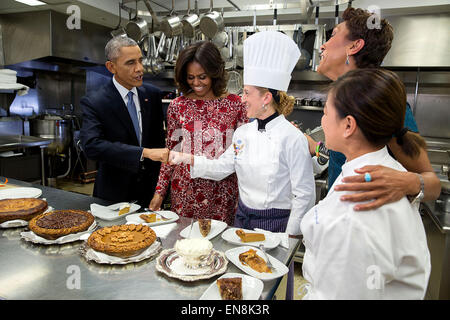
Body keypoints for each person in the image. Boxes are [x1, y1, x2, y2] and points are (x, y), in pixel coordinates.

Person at [301, 68, 431, 299]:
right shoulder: (377, 169)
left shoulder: (357, 206)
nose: (322, 120)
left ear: (348, 125)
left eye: (326, 112)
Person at [170, 31, 316, 236]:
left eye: (247, 92)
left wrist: (289, 238)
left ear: (266, 98)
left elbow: (305, 194)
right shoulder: (243, 133)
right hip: (242, 218)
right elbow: (223, 167)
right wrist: (190, 159)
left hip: (276, 224)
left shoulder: (292, 138)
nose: (242, 98)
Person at [305, 7, 441, 210]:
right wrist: (317, 148)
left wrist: (407, 181)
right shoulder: (343, 100)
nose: (323, 45)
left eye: (332, 35)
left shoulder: (378, 102)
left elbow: (432, 185)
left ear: (354, 46)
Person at [149, 41, 247, 225]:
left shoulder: (235, 105)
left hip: (222, 191)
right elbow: (171, 153)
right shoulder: (177, 106)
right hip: (185, 191)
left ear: (215, 73)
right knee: (184, 246)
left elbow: (242, 153)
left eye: (202, 77)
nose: (196, 83)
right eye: (190, 77)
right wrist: (159, 193)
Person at [80, 36, 168, 208]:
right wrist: (143, 153)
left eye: (140, 61)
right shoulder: (95, 101)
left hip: (149, 194)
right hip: (113, 195)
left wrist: (161, 190)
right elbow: (91, 145)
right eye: (130, 63)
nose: (140, 69)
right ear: (111, 67)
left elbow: (158, 143)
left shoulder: (152, 95)